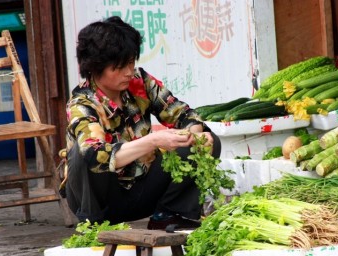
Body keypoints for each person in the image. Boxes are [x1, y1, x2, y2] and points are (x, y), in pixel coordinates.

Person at [63, 16, 221, 230]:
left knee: (208, 141)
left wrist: (192, 135)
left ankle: (168, 214)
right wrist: (154, 140)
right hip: (101, 201)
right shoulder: (82, 103)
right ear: (95, 67)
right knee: (82, 155)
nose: (129, 71)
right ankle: (92, 226)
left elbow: (184, 114)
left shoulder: (140, 82)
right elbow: (96, 156)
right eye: (119, 67)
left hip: (143, 191)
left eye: (130, 62)